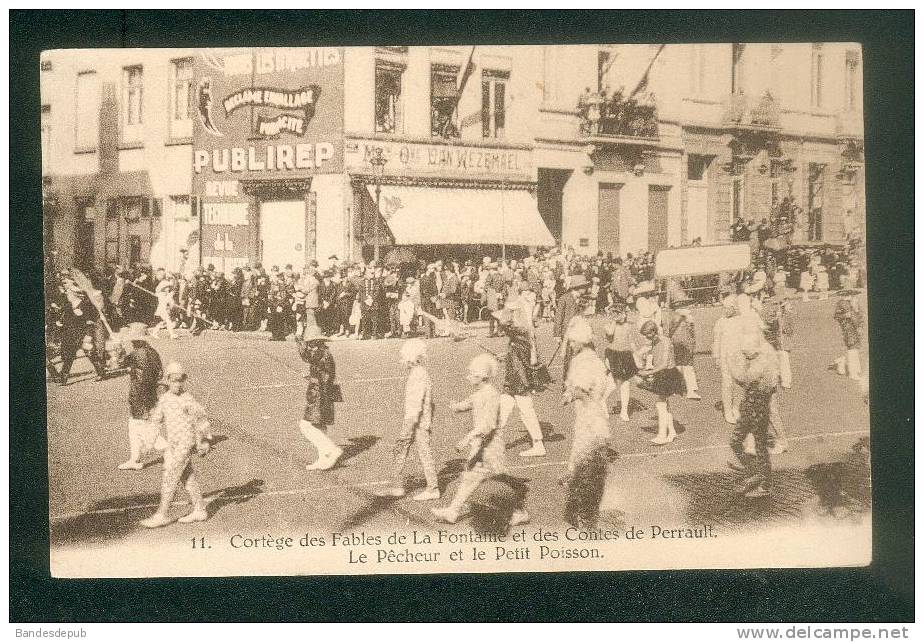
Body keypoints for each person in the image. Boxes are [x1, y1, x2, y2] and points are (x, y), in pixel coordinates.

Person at [432, 353, 529, 527]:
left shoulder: (491, 395)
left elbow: (489, 425)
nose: (468, 377)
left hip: (492, 446)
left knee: (501, 480)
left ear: (482, 377)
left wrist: (467, 437)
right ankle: (453, 511)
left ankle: (519, 512)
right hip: (482, 445)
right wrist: (456, 406)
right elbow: (469, 403)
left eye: (472, 375)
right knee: (471, 478)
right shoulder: (480, 392)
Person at [140, 362, 211, 527]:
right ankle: (200, 509)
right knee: (187, 477)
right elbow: (156, 420)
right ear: (167, 380)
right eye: (174, 380)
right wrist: (148, 443)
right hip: (173, 444)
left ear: (184, 380)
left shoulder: (188, 399)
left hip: (185, 444)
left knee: (170, 475)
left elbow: (201, 420)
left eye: (180, 381)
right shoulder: (164, 399)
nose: (177, 384)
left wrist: (204, 440)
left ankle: (162, 514)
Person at [377, 339, 440, 501]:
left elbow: (416, 404)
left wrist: (408, 427)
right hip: (419, 420)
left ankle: (432, 488)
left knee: (414, 451)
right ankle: (397, 485)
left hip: (416, 422)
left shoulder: (418, 375)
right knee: (403, 450)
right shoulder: (419, 373)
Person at [494, 289, 547, 458]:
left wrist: (507, 309)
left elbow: (505, 322)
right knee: (505, 403)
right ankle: (493, 441)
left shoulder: (521, 323)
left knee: (524, 405)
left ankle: (538, 443)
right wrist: (507, 354)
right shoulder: (524, 324)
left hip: (518, 368)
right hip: (516, 362)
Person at [727, 331, 779, 498]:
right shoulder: (757, 359)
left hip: (758, 410)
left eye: (745, 350)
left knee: (760, 447)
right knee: (736, 442)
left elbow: (743, 379)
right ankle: (755, 472)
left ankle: (765, 483)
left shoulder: (761, 363)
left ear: (755, 349)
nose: (743, 353)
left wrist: (730, 364)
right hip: (750, 408)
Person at [560, 318, 611, 483]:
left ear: (581, 341)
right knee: (584, 441)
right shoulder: (586, 358)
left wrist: (570, 395)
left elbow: (583, 390)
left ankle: (578, 475)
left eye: (573, 341)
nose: (571, 345)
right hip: (588, 407)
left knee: (586, 441)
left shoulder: (586, 361)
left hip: (590, 408)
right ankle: (577, 473)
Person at [118, 322, 165, 470]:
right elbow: (159, 373)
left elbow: (118, 363)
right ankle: (134, 459)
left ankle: (170, 449)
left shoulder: (135, 354)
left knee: (142, 428)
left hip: (139, 394)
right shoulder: (153, 352)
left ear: (135, 340)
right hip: (151, 394)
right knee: (136, 427)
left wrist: (118, 348)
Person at [296, 323, 343, 470]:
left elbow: (324, 377)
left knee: (305, 425)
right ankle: (323, 457)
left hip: (319, 395)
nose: (308, 345)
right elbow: (311, 361)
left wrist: (311, 378)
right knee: (319, 425)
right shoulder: (322, 352)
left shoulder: (321, 353)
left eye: (309, 342)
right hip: (323, 393)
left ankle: (331, 449)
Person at [636, 319, 685, 445]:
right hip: (661, 374)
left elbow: (663, 364)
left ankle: (662, 435)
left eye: (647, 335)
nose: (646, 338)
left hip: (669, 375)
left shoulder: (665, 341)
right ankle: (672, 432)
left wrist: (647, 373)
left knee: (660, 405)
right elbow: (654, 359)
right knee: (664, 406)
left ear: (653, 332)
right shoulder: (655, 341)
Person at [55, 280, 108, 385]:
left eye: (69, 293)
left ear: (75, 294)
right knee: (69, 357)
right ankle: (63, 379)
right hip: (71, 335)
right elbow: (64, 319)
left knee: (90, 354)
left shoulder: (85, 305)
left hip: (82, 334)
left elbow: (90, 322)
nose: (67, 295)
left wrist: (88, 335)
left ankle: (101, 372)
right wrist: (60, 323)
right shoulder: (68, 306)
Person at [603, 303, 638, 422]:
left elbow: (631, 342)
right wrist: (613, 319)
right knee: (619, 383)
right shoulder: (609, 325)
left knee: (620, 383)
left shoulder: (628, 326)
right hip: (613, 354)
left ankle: (623, 410)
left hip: (625, 355)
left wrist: (636, 355)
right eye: (616, 313)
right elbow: (610, 333)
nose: (619, 315)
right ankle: (604, 401)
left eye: (621, 313)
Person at [669, 308, 701, 400]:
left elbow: (671, 331)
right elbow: (691, 333)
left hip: (679, 343)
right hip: (683, 344)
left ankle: (677, 388)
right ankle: (689, 390)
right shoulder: (686, 317)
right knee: (687, 366)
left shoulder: (676, 317)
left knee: (679, 365)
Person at [833, 289, 864, 381]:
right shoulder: (841, 303)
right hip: (848, 328)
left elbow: (860, 315)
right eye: (846, 294)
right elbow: (836, 316)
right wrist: (845, 316)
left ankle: (844, 364)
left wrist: (860, 325)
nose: (849, 296)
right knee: (852, 348)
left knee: (855, 347)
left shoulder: (854, 303)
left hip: (856, 328)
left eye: (850, 294)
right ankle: (852, 372)